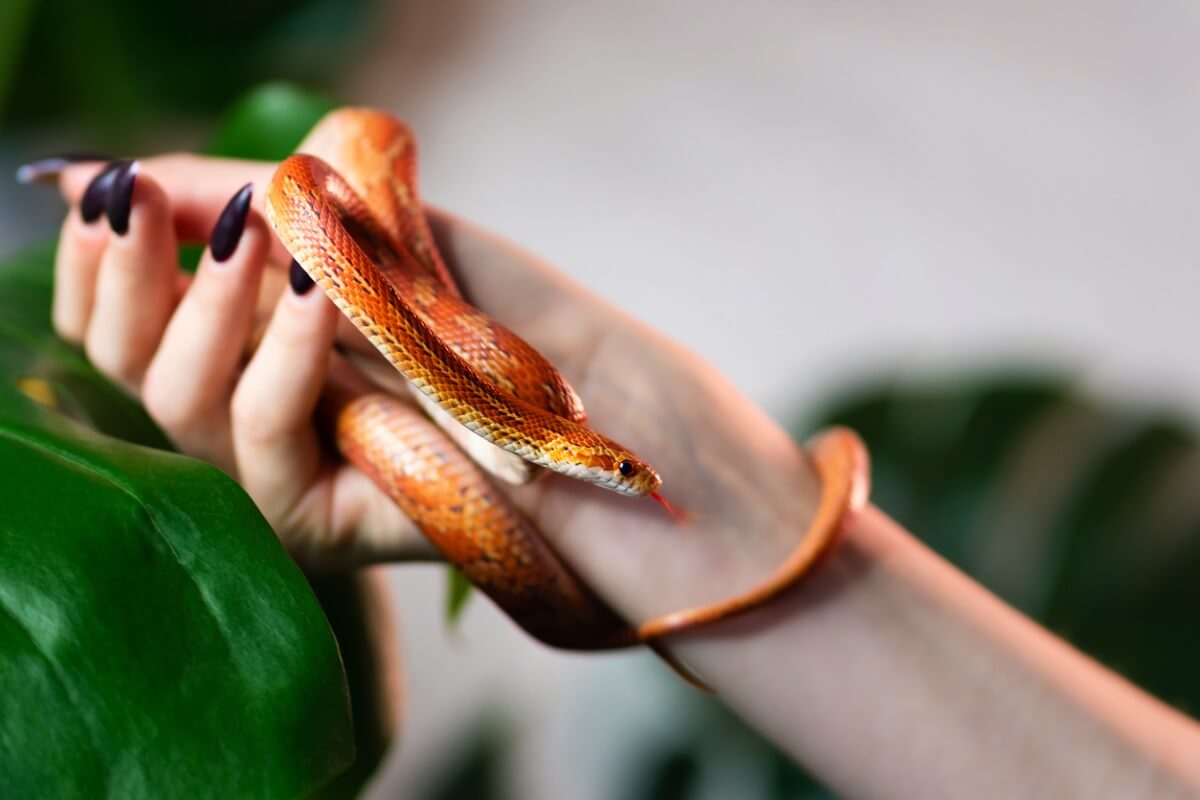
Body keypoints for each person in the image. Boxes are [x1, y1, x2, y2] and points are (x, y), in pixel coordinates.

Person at [30, 153, 1200, 798]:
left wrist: (705, 500)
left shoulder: (531, 404)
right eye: (623, 465)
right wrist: (705, 490)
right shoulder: (526, 403)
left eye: (623, 465)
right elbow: (323, 194)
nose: (630, 471)